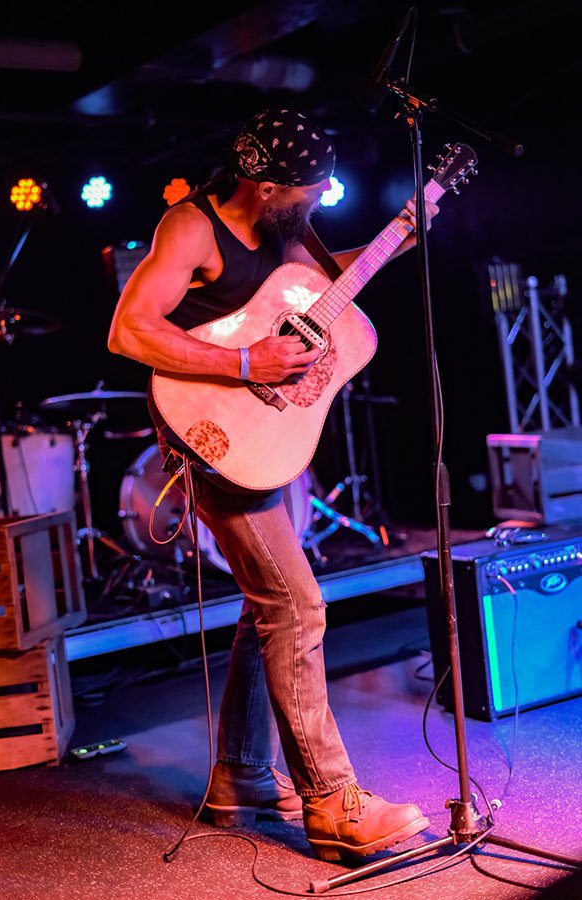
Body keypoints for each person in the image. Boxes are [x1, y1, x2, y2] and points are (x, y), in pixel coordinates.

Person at [108, 108, 440, 863]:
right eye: (310, 190)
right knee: (296, 604)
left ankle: (242, 775)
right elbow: (128, 329)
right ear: (264, 186)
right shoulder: (190, 227)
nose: (320, 200)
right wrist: (244, 364)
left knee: (269, 601)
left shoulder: (283, 226)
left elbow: (317, 287)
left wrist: (396, 239)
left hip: (261, 432)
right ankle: (331, 802)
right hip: (210, 432)